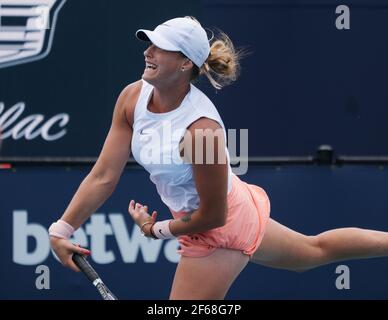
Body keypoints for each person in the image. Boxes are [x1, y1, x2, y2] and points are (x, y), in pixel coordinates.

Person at [49, 16, 388, 300]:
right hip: (227, 203)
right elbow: (104, 176)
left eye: (160, 48)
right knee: (313, 252)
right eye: (149, 43)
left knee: (314, 252)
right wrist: (62, 229)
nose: (147, 52)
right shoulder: (132, 97)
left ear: (185, 63)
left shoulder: (201, 131)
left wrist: (156, 231)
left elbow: (212, 216)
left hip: (217, 227)